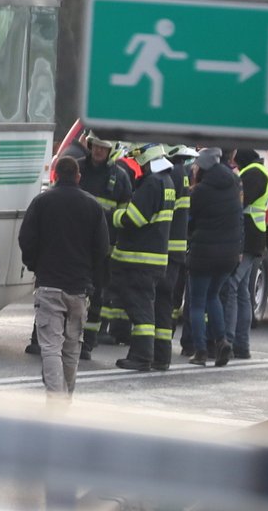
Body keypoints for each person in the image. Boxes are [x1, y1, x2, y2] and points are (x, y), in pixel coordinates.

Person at [18, 156, 110, 397]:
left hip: (49, 285)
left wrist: (35, 264)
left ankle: (56, 398)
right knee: (71, 349)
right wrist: (90, 275)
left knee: (50, 347)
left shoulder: (41, 203)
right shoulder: (92, 206)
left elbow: (26, 240)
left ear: (56, 175)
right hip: (78, 289)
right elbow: (102, 248)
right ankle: (65, 397)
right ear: (78, 176)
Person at [109, 143, 175, 371]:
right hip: (154, 260)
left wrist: (114, 215)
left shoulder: (151, 183)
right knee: (147, 307)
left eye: (140, 161)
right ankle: (156, 356)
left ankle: (141, 357)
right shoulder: (167, 181)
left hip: (140, 261)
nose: (138, 166)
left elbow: (134, 219)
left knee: (140, 310)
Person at [185, 147, 243, 367]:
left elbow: (191, 221)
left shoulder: (200, 192)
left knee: (198, 303)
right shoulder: (233, 185)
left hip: (204, 253)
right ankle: (221, 341)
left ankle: (200, 351)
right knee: (214, 297)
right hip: (228, 255)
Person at [77, 133, 132, 360]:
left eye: (103, 148)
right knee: (71, 293)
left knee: (97, 296)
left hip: (105, 249)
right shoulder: (78, 169)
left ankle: (88, 342)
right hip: (76, 245)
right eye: (95, 146)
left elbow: (126, 215)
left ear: (110, 151)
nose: (98, 151)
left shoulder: (120, 177)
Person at [152, 145, 194, 369]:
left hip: (168, 249)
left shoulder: (173, 175)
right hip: (176, 250)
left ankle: (160, 356)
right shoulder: (182, 174)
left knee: (161, 301)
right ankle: (162, 355)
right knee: (166, 302)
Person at [226, 148, 268, 359]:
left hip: (248, 236)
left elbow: (241, 202)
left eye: (236, 161)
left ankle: (234, 341)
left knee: (233, 285)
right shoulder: (258, 170)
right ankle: (241, 345)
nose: (234, 164)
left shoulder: (253, 173)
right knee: (242, 290)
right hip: (254, 236)